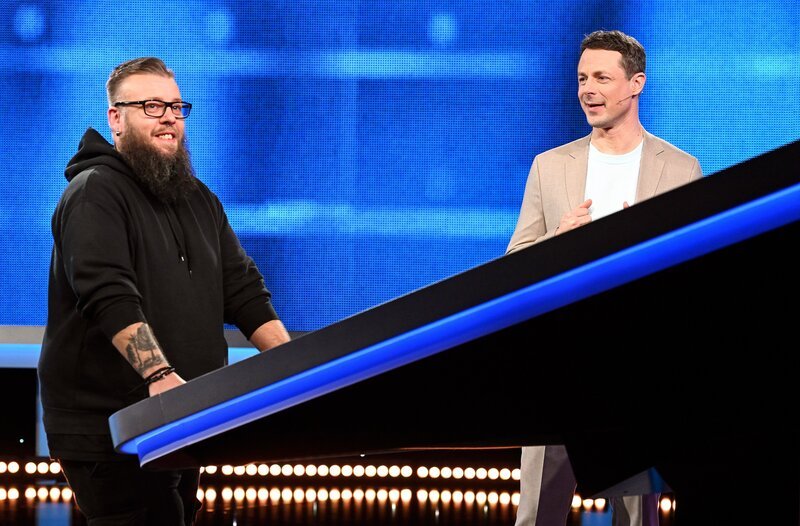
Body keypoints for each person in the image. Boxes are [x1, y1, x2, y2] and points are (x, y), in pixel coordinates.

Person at [37, 57, 292, 525]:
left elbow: (242, 289)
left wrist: (295, 367)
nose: (169, 116)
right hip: (112, 430)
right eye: (152, 106)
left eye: (176, 106)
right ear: (116, 119)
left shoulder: (199, 199)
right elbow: (107, 293)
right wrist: (159, 377)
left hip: (184, 419)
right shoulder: (94, 192)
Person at [506, 30, 703, 526]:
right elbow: (513, 264)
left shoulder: (680, 169)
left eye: (601, 77)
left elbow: (698, 281)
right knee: (537, 514)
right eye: (581, 78)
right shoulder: (550, 167)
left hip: (639, 369)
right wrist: (561, 238)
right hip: (558, 364)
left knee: (638, 517)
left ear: (635, 83)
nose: (587, 89)